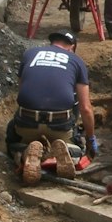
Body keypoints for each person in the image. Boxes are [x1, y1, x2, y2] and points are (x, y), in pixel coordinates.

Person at [6, 30, 98, 185]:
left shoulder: (30, 54)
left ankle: (24, 152)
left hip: (27, 122)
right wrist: (90, 139)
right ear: (72, 47)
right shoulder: (76, 60)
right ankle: (70, 151)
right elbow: (86, 108)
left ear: (52, 43)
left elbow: (21, 93)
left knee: (11, 138)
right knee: (78, 144)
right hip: (59, 125)